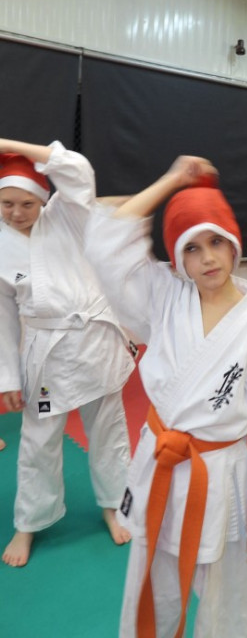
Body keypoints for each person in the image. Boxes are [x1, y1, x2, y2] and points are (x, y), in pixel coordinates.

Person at [84, 155, 247, 638]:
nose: (207, 257)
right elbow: (106, 239)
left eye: (216, 242)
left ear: (234, 246)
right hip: (160, 462)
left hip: (220, 473)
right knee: (150, 583)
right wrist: (173, 179)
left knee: (227, 596)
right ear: (177, 258)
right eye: (192, 247)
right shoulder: (164, 296)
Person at [0, 139, 135, 568]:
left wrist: (6, 145)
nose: (17, 213)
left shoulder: (67, 215)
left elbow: (77, 170)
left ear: (43, 199)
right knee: (38, 442)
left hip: (94, 343)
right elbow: (3, 320)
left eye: (27, 203)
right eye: (6, 204)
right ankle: (29, 522)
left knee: (109, 433)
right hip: (46, 354)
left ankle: (114, 506)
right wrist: (7, 379)